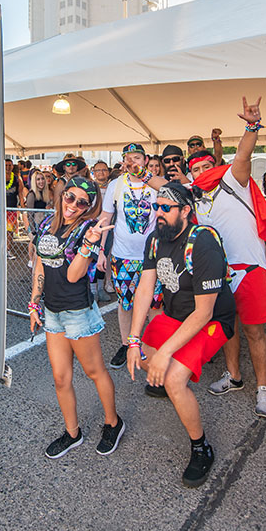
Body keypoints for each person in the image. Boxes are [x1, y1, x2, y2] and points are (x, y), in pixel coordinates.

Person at [125, 182, 237, 488]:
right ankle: (166, 379)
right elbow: (145, 289)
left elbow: (203, 313)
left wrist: (165, 354)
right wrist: (133, 340)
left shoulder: (202, 243)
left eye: (165, 208)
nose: (158, 213)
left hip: (210, 319)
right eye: (155, 207)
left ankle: (201, 448)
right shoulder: (154, 240)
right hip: (176, 316)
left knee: (174, 377)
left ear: (186, 211)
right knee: (143, 359)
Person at [187, 97, 266, 418]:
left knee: (255, 331)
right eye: (195, 169)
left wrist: (251, 126)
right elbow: (162, 184)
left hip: (250, 268)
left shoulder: (232, 179)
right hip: (220, 272)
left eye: (205, 167)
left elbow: (243, 153)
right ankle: (235, 376)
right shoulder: (194, 195)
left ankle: (263, 389)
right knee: (229, 328)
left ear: (214, 165)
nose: (201, 172)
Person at [29, 177, 123, 458]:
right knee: (60, 379)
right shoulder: (46, 225)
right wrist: (34, 304)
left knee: (95, 372)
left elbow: (73, 275)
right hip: (52, 312)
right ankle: (73, 433)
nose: (73, 205)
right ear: (62, 194)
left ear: (89, 206)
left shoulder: (88, 230)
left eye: (82, 202)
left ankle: (113, 423)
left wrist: (89, 244)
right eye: (70, 197)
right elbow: (40, 267)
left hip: (78, 313)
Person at [97, 143, 164, 369]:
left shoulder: (154, 184)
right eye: (129, 158)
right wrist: (100, 251)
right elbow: (106, 218)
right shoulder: (117, 185)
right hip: (122, 256)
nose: (133, 161)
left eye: (137, 157)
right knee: (125, 304)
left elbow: (171, 192)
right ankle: (126, 344)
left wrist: (145, 176)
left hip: (151, 258)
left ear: (145, 160)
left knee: (155, 304)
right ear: (123, 161)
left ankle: (153, 345)